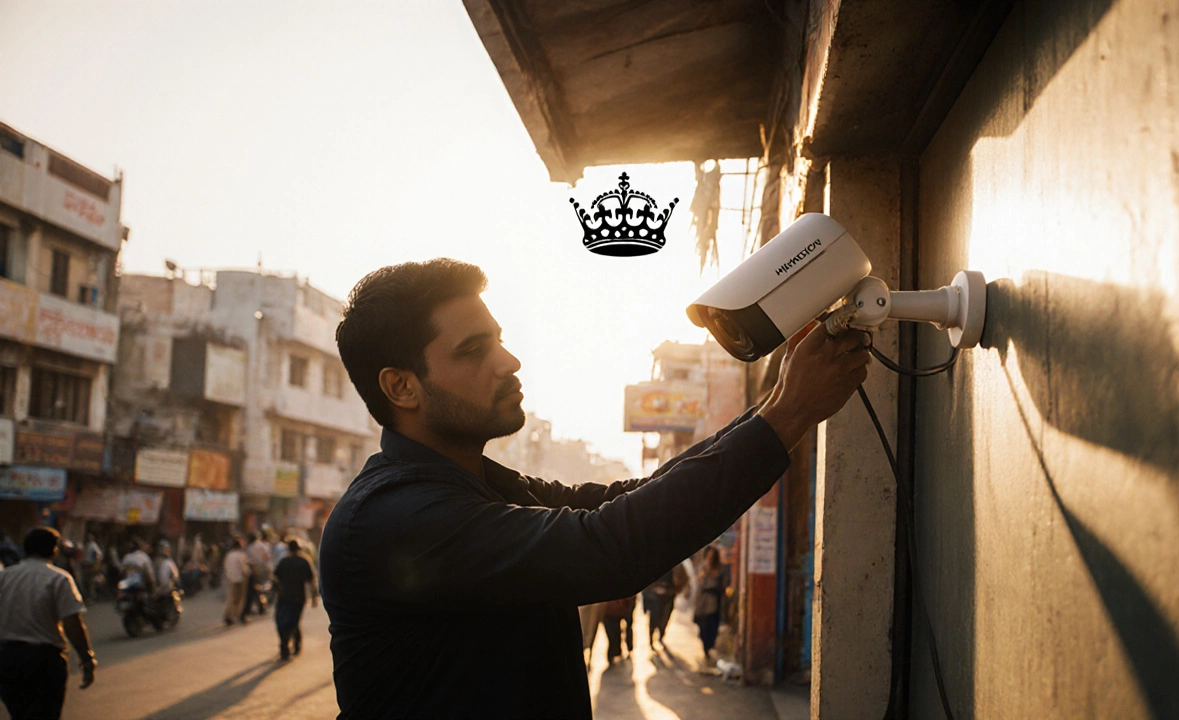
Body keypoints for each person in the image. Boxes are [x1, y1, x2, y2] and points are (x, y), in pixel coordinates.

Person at [319, 259, 870, 718]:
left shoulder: (480, 485)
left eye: (500, 342)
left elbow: (627, 499)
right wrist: (792, 411)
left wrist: (780, 403)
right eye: (472, 350)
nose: (508, 362)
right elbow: (611, 544)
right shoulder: (392, 517)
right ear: (401, 387)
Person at [0, 527, 96, 719]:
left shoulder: (4, 577)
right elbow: (72, 623)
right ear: (54, 550)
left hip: (7, 659)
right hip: (45, 661)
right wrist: (86, 658)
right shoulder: (58, 578)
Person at [272, 538, 317, 662]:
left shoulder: (284, 561)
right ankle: (293, 645)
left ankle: (285, 646)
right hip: (298, 597)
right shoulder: (304, 561)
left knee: (281, 621)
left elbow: (275, 577)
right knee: (293, 621)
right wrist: (314, 597)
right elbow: (312, 581)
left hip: (284, 596)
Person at [692, 547, 730, 673]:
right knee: (702, 626)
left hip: (714, 602)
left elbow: (723, 587)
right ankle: (706, 647)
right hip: (703, 601)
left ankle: (709, 647)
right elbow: (699, 583)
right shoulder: (703, 568)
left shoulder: (720, 570)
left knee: (711, 626)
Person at [642, 561, 689, 650]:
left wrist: (679, 587)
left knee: (665, 617)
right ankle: (651, 639)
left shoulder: (677, 565)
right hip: (655, 596)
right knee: (653, 618)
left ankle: (661, 635)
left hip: (669, 595)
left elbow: (684, 578)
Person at [601, 594, 636, 666]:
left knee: (627, 628)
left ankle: (626, 648)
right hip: (610, 612)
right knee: (613, 635)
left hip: (624, 607)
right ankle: (614, 653)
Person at [242, 532, 271, 618]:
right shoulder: (263, 546)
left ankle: (252, 608)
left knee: (254, 589)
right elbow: (267, 557)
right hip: (262, 569)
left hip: (253, 569)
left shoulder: (248, 547)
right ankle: (261, 607)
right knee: (259, 589)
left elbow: (246, 559)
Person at [222, 537, 249, 626]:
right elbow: (243, 568)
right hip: (239, 579)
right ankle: (236, 616)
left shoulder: (229, 555)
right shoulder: (241, 555)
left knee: (230, 598)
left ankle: (227, 615)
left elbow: (225, 566)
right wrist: (248, 573)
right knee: (239, 599)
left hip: (230, 578)